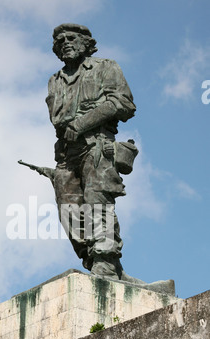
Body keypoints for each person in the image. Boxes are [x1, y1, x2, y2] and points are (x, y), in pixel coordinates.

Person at [46, 23, 137, 280]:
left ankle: (105, 261)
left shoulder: (105, 67)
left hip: (96, 146)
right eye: (60, 40)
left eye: (71, 37)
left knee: (98, 202)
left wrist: (82, 123)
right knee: (68, 210)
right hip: (66, 154)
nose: (65, 42)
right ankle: (92, 258)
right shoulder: (55, 81)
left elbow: (123, 103)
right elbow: (57, 119)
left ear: (86, 42)